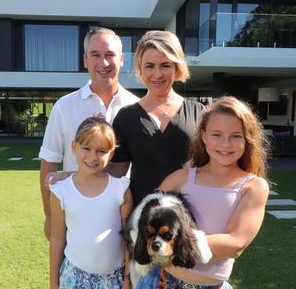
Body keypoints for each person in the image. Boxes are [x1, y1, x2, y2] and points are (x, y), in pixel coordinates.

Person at [138, 96, 270, 288]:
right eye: (216, 134)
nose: (226, 144)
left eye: (236, 136)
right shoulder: (180, 178)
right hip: (161, 281)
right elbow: (144, 219)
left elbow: (235, 244)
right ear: (204, 136)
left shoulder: (253, 187)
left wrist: (174, 243)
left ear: (247, 139)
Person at [39, 27, 139, 240]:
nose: (103, 63)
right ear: (85, 60)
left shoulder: (137, 107)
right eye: (95, 55)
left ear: (121, 59)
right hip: (75, 222)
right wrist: (49, 216)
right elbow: (49, 163)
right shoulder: (64, 106)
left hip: (124, 218)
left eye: (110, 55)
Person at [109, 30, 203, 206]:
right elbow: (115, 171)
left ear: (177, 66)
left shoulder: (200, 113)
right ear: (140, 67)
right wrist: (73, 177)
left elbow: (213, 167)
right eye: (150, 66)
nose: (157, 74)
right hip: (143, 220)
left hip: (191, 218)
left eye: (165, 65)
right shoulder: (125, 117)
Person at [49, 117, 133, 289]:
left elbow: (128, 239)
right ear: (74, 147)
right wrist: (53, 283)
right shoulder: (61, 191)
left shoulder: (121, 189)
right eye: (86, 148)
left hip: (114, 279)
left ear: (111, 153)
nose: (93, 157)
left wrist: (127, 279)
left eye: (101, 151)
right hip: (73, 277)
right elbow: (57, 239)